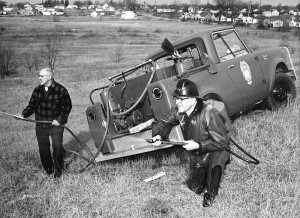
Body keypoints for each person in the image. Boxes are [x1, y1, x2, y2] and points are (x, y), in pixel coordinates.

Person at [151, 78, 231, 207]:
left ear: (193, 99)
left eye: (181, 99)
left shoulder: (210, 113)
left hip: (215, 148)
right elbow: (161, 122)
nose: (177, 102)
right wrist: (158, 135)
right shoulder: (178, 111)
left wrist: (199, 145)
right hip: (198, 154)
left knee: (217, 159)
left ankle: (211, 192)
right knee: (195, 188)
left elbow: (221, 142)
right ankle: (202, 180)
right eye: (176, 98)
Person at [16, 68, 72, 178]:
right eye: (39, 76)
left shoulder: (61, 90)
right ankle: (49, 170)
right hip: (41, 125)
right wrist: (23, 115)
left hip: (55, 125)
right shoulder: (37, 90)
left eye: (41, 76)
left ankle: (58, 172)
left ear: (49, 77)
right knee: (43, 149)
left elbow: (67, 107)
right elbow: (31, 106)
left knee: (57, 146)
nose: (39, 78)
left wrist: (59, 120)